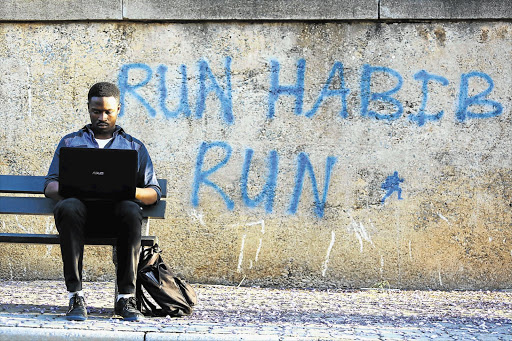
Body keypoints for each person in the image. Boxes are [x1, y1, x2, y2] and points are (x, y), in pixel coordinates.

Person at [44, 82, 161, 322]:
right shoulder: (70, 143)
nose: (102, 117)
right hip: (78, 220)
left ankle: (125, 298)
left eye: (108, 111)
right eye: (96, 111)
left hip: (117, 220)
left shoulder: (133, 146)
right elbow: (50, 186)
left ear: (119, 109)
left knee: (130, 208)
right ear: (88, 109)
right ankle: (75, 296)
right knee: (68, 205)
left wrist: (129, 190)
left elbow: (153, 192)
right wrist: (73, 188)